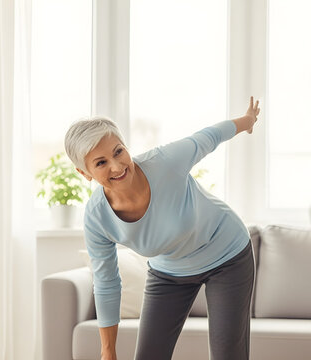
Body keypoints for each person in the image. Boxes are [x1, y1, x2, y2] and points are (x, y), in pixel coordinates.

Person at [64, 97, 261, 360]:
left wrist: (247, 121)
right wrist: (108, 350)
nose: (116, 166)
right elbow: (106, 281)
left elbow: (208, 137)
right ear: (85, 173)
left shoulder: (165, 162)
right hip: (169, 271)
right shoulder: (97, 217)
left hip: (227, 254)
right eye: (100, 163)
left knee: (227, 354)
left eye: (118, 151)